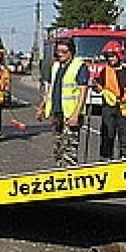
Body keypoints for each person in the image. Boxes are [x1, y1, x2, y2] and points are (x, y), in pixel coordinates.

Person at [36, 37, 89, 166]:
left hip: (70, 114)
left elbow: (83, 91)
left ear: (71, 52)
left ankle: (69, 179)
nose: (60, 54)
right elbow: (51, 88)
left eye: (64, 52)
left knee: (69, 153)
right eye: (58, 51)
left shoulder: (79, 66)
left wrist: (76, 114)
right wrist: (42, 107)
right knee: (58, 151)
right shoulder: (56, 66)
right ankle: (60, 176)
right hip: (57, 113)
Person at [90, 40, 126, 160]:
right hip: (109, 108)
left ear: (119, 55)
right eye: (108, 56)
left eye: (112, 56)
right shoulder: (104, 71)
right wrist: (95, 86)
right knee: (107, 134)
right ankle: (105, 159)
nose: (110, 59)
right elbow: (98, 87)